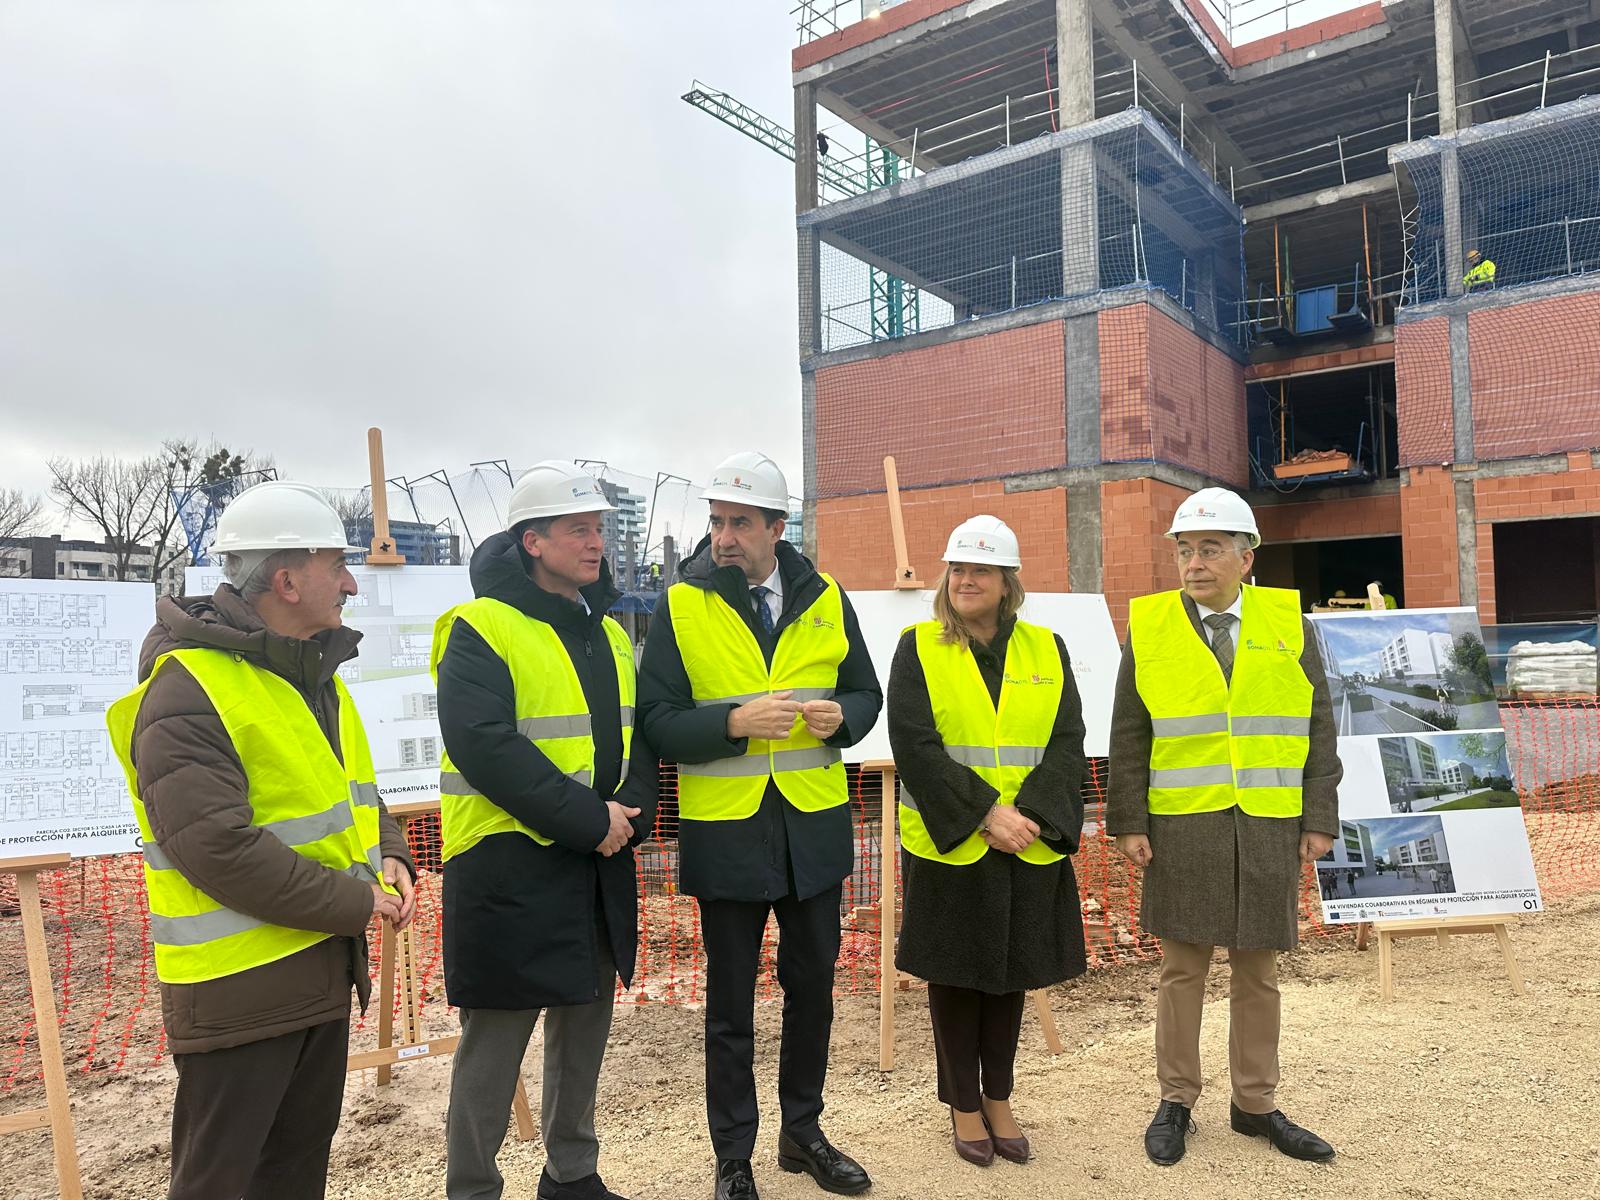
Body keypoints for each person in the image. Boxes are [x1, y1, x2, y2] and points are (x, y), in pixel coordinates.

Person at [106, 482, 416, 1200]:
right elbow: (215, 848)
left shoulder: (310, 675)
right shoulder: (189, 688)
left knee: (292, 1176)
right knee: (222, 1182)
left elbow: (351, 794)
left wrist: (392, 849)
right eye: (335, 565)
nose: (349, 583)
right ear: (285, 579)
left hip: (316, 977)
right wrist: (356, 898)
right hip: (239, 997)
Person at [637, 450, 882, 1200]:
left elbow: (866, 696)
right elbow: (656, 721)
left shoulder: (829, 596)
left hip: (812, 834)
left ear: (778, 528)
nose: (723, 536)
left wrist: (845, 718)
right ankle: (733, 1156)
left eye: (740, 522)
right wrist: (735, 722)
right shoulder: (680, 604)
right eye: (716, 521)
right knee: (731, 1004)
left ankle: (802, 1135)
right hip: (729, 836)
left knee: (814, 993)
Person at [435, 462, 657, 1200]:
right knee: (494, 1044)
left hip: (596, 862)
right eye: (578, 530)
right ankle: (471, 1188)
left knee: (585, 1025)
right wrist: (590, 820)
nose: (596, 543)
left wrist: (629, 812)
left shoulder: (609, 634)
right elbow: (485, 745)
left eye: (598, 528)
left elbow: (635, 739)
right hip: (508, 868)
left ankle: (571, 1176)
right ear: (532, 541)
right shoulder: (482, 627)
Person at [1107, 486, 1343, 1168]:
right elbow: (1130, 730)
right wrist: (1128, 819)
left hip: (1268, 821)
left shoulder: (1288, 622)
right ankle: (1176, 1099)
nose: (1194, 562)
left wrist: (1317, 815)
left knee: (1257, 971)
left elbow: (1317, 725)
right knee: (1183, 970)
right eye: (1185, 550)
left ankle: (1255, 1104)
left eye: (1210, 549)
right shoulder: (1149, 628)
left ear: (1247, 557)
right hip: (1183, 824)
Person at [887, 516, 1088, 1168]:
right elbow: (915, 748)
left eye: (980, 570)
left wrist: (1026, 816)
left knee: (1009, 973)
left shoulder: (1046, 649)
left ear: (1007, 582)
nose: (965, 579)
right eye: (957, 569)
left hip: (1026, 838)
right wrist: (983, 814)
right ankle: (964, 1104)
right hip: (951, 841)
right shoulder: (917, 647)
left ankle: (999, 1096)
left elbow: (1066, 741)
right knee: (956, 976)